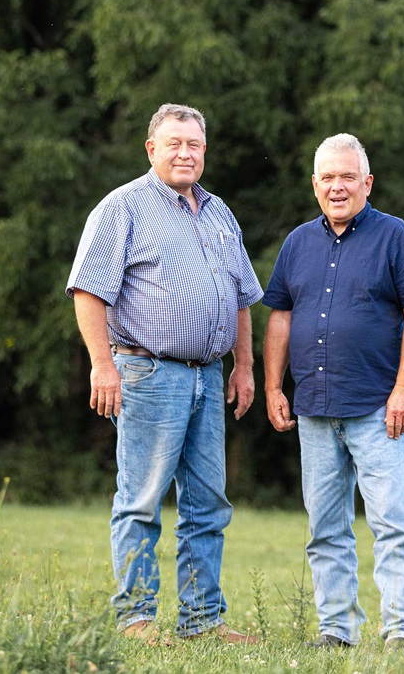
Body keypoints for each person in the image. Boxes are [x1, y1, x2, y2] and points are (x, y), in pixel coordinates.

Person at [67, 103, 262, 643]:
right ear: (151, 149)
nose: (185, 152)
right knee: (142, 498)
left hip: (208, 374)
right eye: (174, 143)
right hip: (148, 371)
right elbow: (88, 290)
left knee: (208, 504)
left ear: (205, 151)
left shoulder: (220, 213)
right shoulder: (122, 207)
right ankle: (136, 618)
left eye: (194, 144)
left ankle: (202, 621)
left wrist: (244, 365)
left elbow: (243, 297)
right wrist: (102, 365)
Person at [263, 133, 404, 655]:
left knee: (392, 523)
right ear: (315, 184)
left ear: (367, 182)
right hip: (314, 408)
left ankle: (403, 632)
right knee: (325, 530)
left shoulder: (394, 236)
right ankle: (336, 631)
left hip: (377, 408)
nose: (338, 187)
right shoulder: (297, 243)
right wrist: (273, 385)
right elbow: (280, 317)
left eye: (347, 177)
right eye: (328, 178)